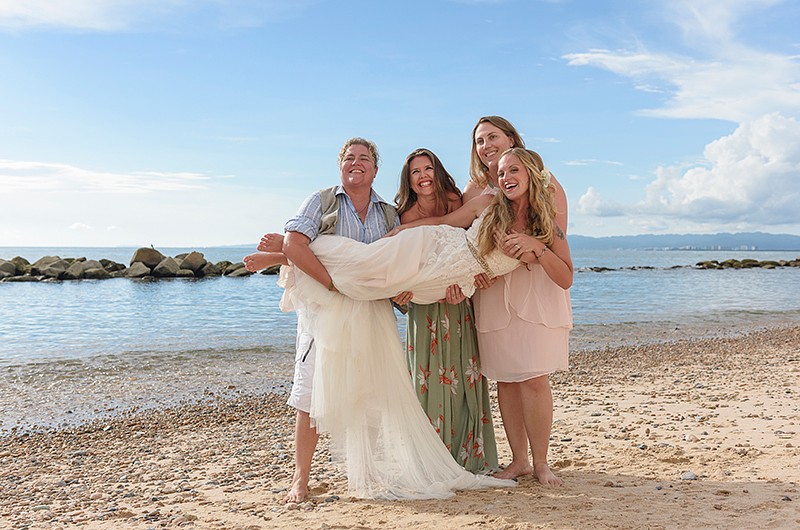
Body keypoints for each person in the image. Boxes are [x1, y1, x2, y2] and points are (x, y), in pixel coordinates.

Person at [278, 147, 567, 498]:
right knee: (370, 266)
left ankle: (290, 253)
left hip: (453, 278)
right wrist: (403, 231)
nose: (504, 178)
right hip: (432, 248)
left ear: (533, 176)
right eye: (501, 172)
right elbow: (444, 224)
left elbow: (565, 276)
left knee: (375, 283)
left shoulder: (545, 227)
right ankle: (287, 250)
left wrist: (535, 248)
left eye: (513, 171)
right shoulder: (489, 203)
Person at [249, 137, 402, 503]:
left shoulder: (389, 213)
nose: (356, 163)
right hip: (325, 314)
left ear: (375, 169)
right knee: (311, 395)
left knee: (370, 393)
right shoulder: (321, 202)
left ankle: (366, 473)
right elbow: (296, 244)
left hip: (371, 313)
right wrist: (332, 284)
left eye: (364, 158)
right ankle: (300, 480)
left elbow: (392, 263)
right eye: (349, 158)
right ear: (340, 166)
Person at [464, 117, 570, 486]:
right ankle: (519, 460)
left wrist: (535, 250)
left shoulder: (544, 182)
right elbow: (461, 239)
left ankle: (541, 463)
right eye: (479, 140)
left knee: (535, 379)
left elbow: (556, 245)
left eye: (492, 136)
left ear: (512, 139)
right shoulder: (478, 191)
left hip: (535, 294)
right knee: (506, 381)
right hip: (492, 297)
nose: (485, 145)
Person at [395, 148, 498, 473]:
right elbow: (404, 268)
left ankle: (465, 457)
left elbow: (471, 249)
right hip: (423, 310)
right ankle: (429, 460)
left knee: (463, 381)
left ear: (437, 172)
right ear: (409, 180)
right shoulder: (405, 215)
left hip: (457, 307)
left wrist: (473, 280)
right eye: (416, 172)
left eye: (428, 169)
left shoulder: (456, 201)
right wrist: (400, 297)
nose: (423, 176)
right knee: (425, 383)